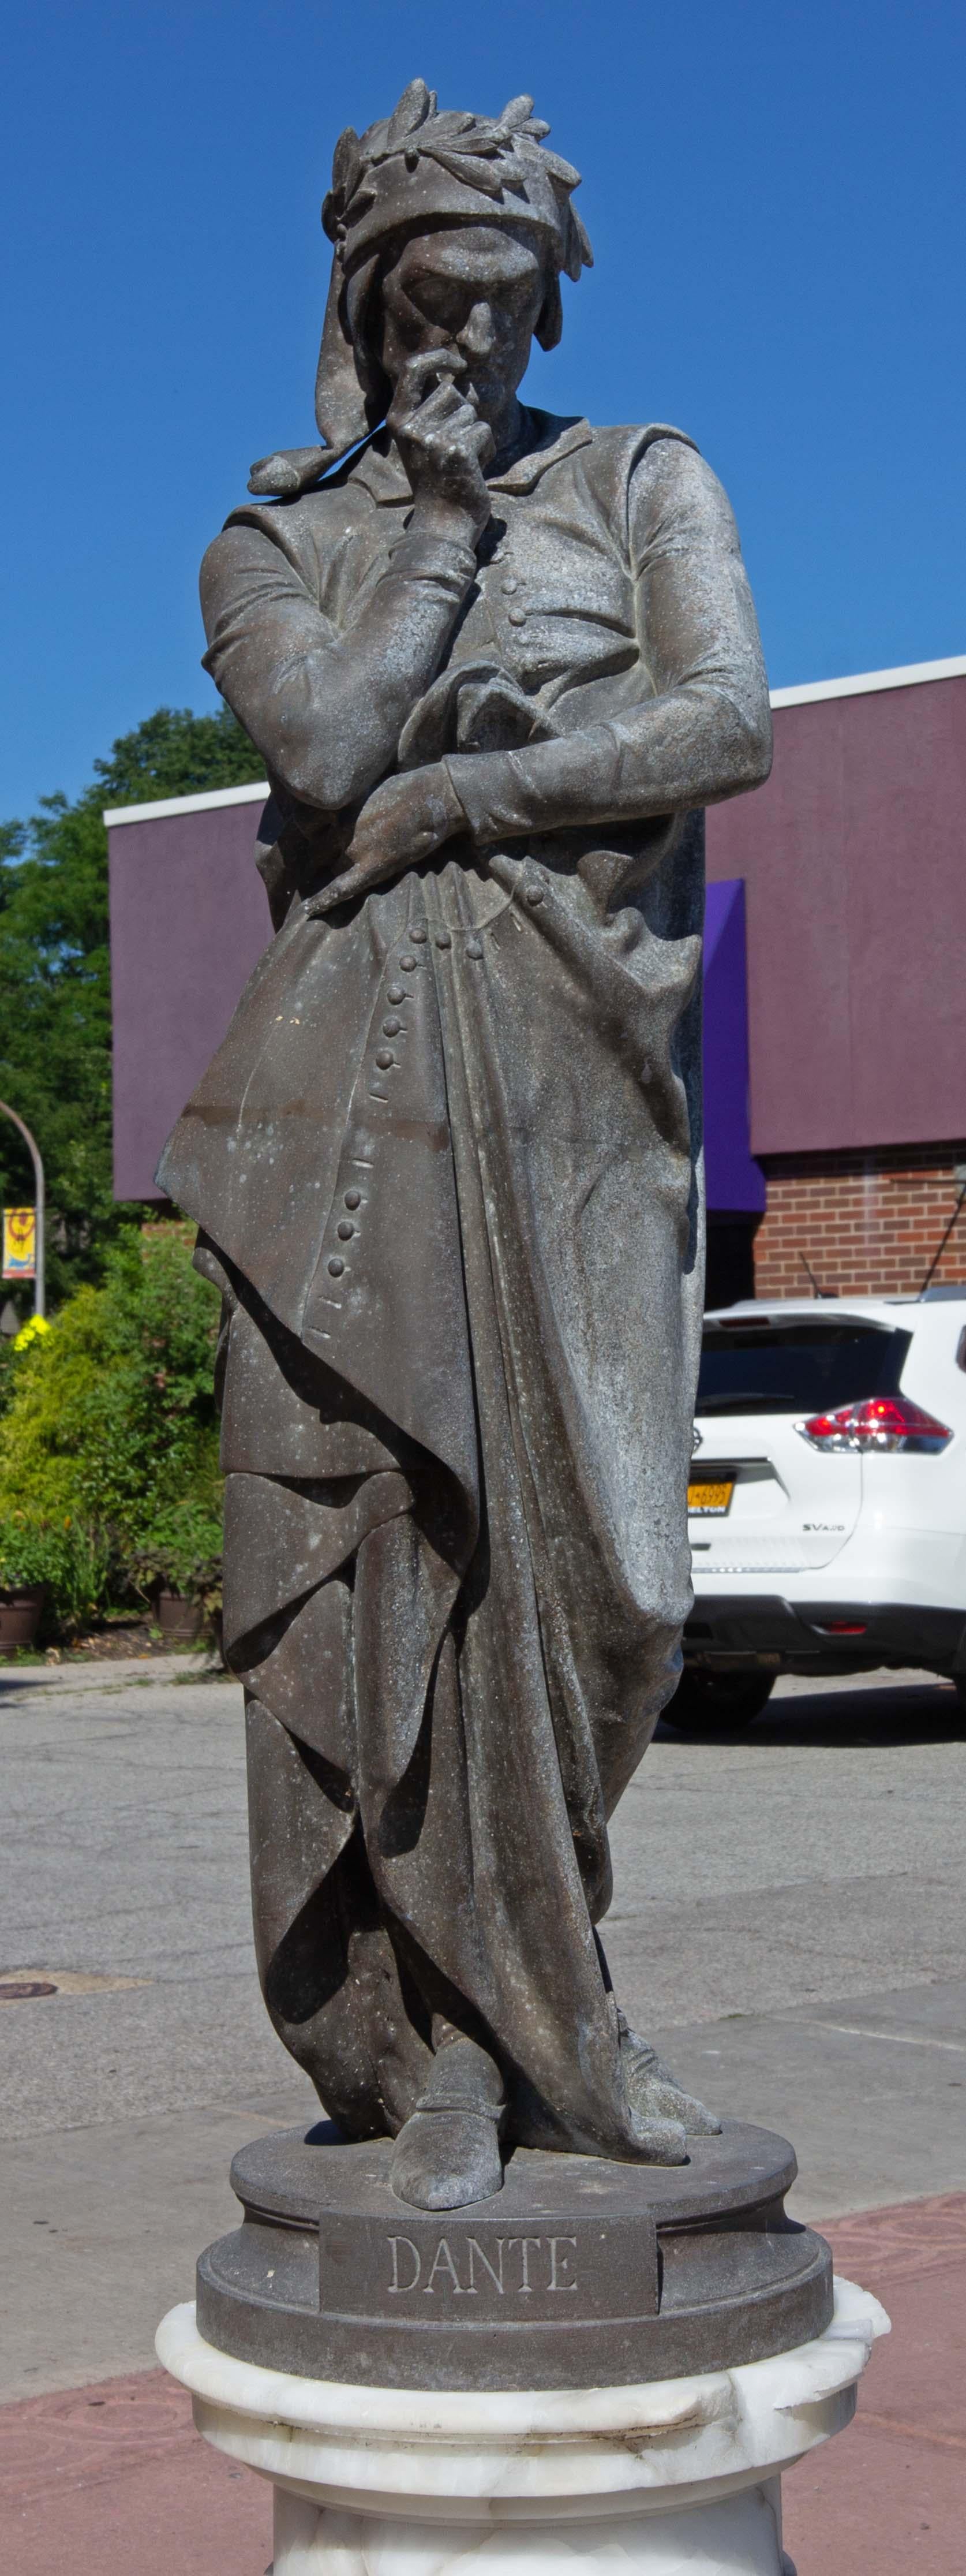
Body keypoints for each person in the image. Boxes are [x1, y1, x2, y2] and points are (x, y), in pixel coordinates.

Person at [159, 82, 772, 2212]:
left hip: (583, 1095)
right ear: (366, 298)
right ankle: (452, 2056)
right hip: (360, 1109)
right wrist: (428, 536)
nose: (474, 353)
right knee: (402, 1553)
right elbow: (323, 746)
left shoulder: (638, 477)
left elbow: (730, 721)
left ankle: (550, 1991)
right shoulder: (275, 540)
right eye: (434, 302)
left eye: (509, 310)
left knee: (610, 1582)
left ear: (550, 313)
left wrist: (478, 797)